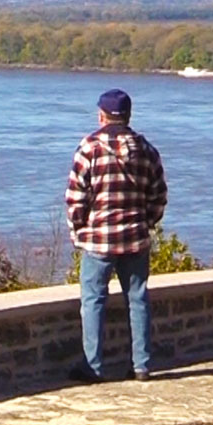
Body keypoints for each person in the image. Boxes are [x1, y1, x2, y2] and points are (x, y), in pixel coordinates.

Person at [64, 88, 168, 382]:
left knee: (93, 299)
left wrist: (78, 230)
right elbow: (159, 195)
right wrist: (146, 222)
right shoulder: (146, 150)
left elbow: (75, 198)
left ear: (101, 115)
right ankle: (141, 365)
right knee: (138, 299)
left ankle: (94, 366)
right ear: (129, 115)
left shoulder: (89, 149)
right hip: (135, 238)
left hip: (98, 240)